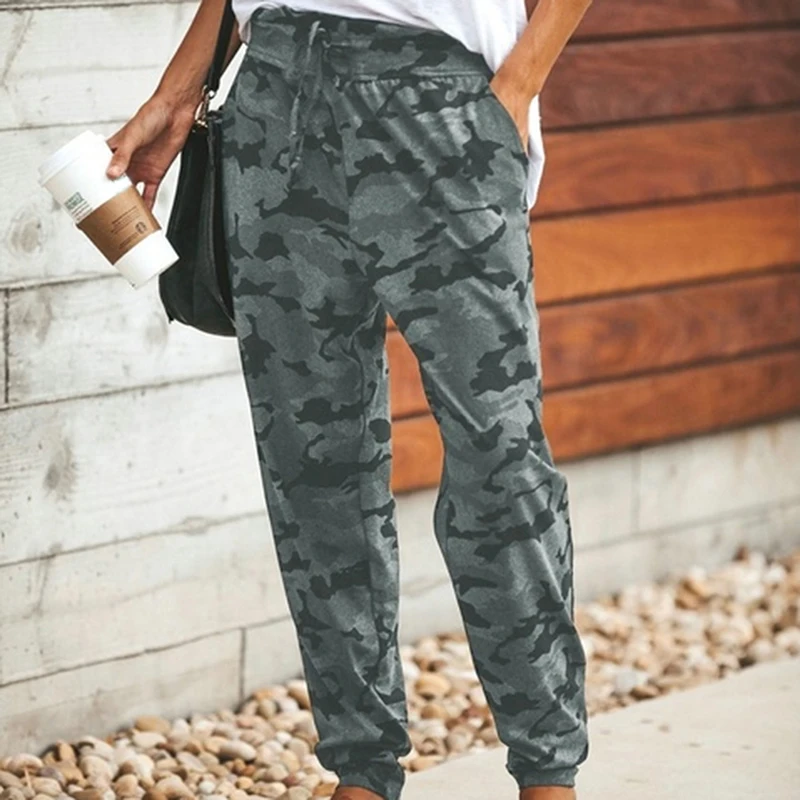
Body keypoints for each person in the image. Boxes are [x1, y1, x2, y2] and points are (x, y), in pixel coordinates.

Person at [106, 1, 594, 798]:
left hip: (441, 101)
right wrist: (178, 89)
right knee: (313, 461)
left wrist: (519, 83)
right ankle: (360, 768)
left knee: (499, 456)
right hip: (274, 96)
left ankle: (548, 772)